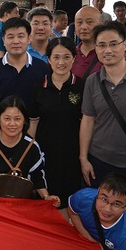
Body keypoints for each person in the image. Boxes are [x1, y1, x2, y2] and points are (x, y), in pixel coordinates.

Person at [79, 22, 126, 186]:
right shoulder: (92, 81)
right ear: (96, 48)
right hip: (99, 159)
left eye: (113, 44)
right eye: (101, 45)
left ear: (125, 45)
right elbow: (88, 120)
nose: (107, 50)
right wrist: (83, 158)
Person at [0, 96, 60, 206]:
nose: (12, 124)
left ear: (24, 120)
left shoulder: (32, 147)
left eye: (17, 119)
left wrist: (46, 197)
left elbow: (37, 176)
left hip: (20, 203)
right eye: (7, 118)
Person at [33, 37, 85, 209]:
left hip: (73, 153)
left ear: (74, 58)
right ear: (48, 59)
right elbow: (33, 122)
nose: (61, 62)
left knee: (70, 201)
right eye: (56, 57)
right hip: (45, 152)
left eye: (66, 57)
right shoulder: (39, 85)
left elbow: (87, 122)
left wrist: (84, 155)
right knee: (45, 200)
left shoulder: (82, 85)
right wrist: (30, 152)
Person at [0, 17, 50, 136]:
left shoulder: (42, 68)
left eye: (21, 36)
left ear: (29, 38)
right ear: (3, 40)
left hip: (32, 135)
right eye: (10, 37)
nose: (16, 41)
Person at [70, 6, 103, 79]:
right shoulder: (70, 54)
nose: (84, 27)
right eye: (79, 22)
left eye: (89, 22)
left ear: (101, 24)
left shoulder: (111, 53)